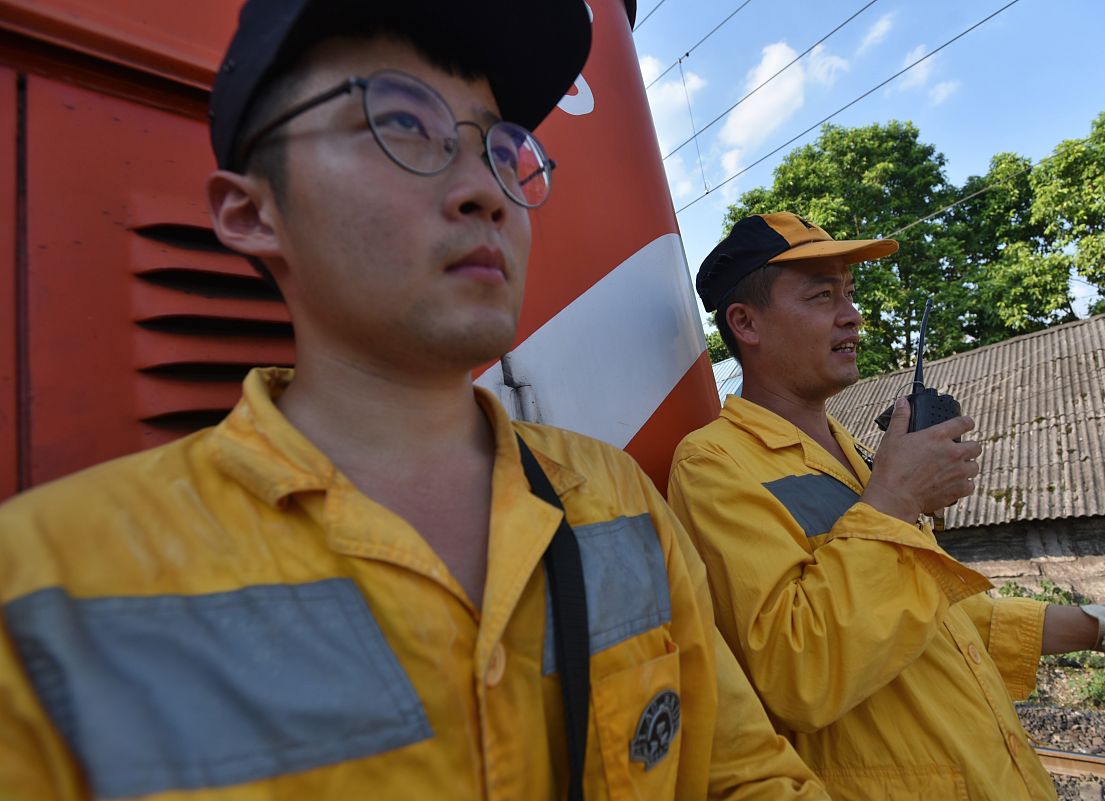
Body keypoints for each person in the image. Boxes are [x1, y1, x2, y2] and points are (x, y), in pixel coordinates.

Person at [0, 5, 828, 800]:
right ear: (250, 213)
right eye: (400, 121)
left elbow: (744, 773)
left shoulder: (617, 498)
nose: (486, 191)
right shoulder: (44, 587)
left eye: (506, 149)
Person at [668, 211, 1105, 800]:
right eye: (822, 295)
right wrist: (897, 498)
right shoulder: (713, 465)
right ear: (747, 323)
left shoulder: (855, 453)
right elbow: (799, 674)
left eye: (848, 292)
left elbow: (929, 619)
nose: (852, 313)